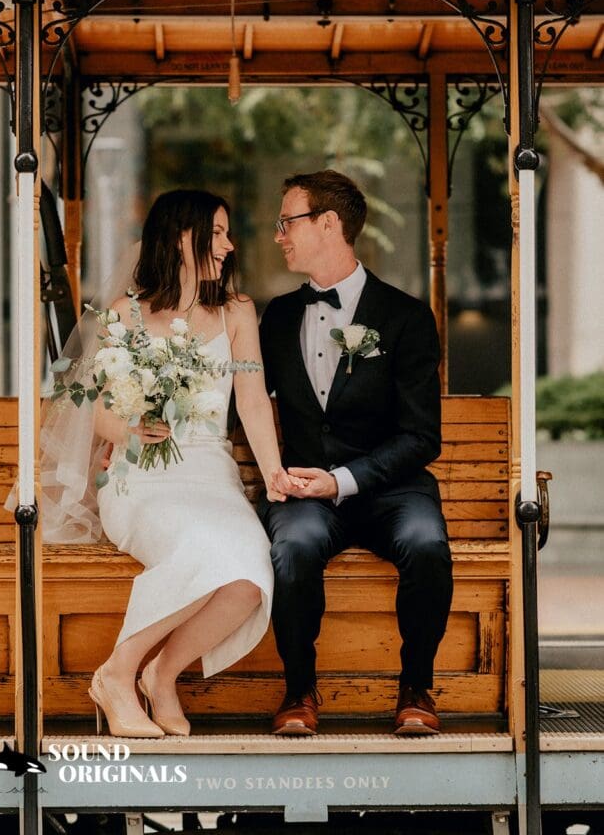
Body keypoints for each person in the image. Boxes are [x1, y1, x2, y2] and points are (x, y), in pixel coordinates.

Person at [37, 189, 298, 738]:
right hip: (139, 475)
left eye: (228, 233)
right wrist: (130, 429)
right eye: (218, 232)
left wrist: (273, 471)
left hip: (211, 475)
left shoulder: (237, 313)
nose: (229, 245)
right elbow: (97, 412)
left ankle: (161, 674)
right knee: (202, 548)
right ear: (183, 237)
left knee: (250, 574)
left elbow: (251, 398)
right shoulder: (121, 316)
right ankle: (116, 675)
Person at [258, 169, 453, 738]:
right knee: (291, 548)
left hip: (392, 487)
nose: (279, 235)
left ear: (328, 223)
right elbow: (240, 402)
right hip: (303, 491)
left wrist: (341, 479)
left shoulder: (406, 317)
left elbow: (422, 436)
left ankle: (416, 686)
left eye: (287, 222)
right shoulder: (278, 316)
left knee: (427, 544)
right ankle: (299, 690)